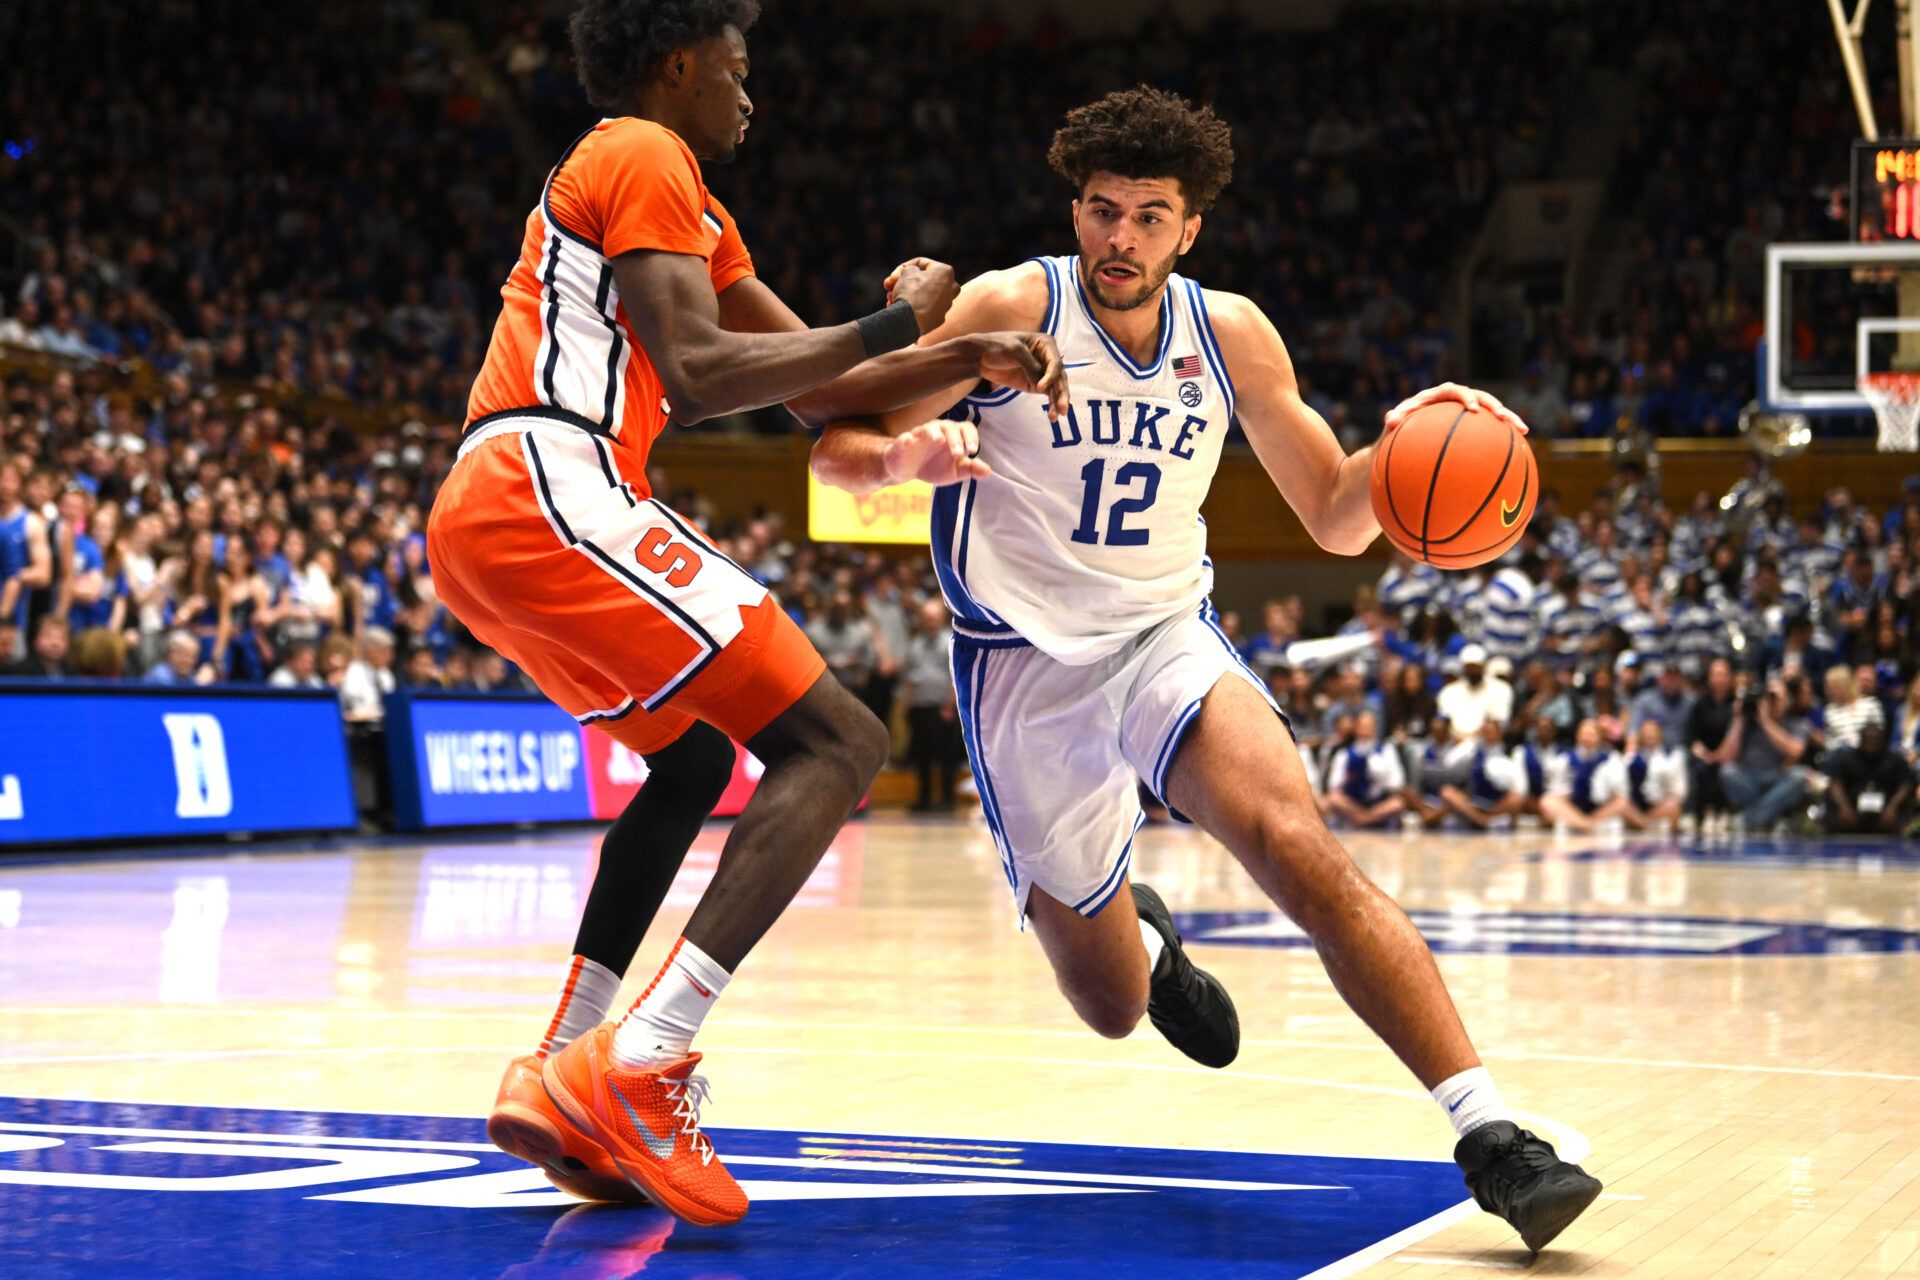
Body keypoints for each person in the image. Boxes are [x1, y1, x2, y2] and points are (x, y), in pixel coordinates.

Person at [808, 85, 1599, 1250]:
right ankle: (1145, 934)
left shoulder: (1229, 334)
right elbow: (834, 447)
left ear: (1191, 230)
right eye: (1100, 210)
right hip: (1021, 668)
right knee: (1111, 1004)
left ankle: (1492, 1132)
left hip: (1165, 636)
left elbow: (1336, 512)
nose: (1118, 238)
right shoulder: (1010, 305)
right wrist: (902, 459)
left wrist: (1419, 429)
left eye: (1147, 216)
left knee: (1299, 846)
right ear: (1075, 211)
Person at [426, 0, 1067, 1228]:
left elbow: (835, 401)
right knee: (841, 741)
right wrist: (907, 319)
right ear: (678, 64)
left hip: (499, 514)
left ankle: (566, 1061)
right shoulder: (638, 150)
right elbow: (705, 371)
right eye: (737, 64)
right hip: (549, 479)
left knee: (691, 763)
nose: (749, 90)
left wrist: (965, 353)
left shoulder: (692, 210)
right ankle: (647, 1060)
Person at [1719, 678, 1809, 836]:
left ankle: (1747, 820)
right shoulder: (1747, 722)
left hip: (1777, 778)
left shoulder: (1795, 723)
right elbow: (1726, 757)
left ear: (1787, 700)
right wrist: (1738, 719)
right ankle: (1770, 818)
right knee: (1727, 771)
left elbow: (1795, 751)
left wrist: (1766, 721)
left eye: (1776, 698)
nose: (1771, 702)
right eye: (1767, 697)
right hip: (1748, 779)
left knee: (1799, 776)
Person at [901, 597, 961, 811]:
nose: (930, 622)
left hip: (943, 708)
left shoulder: (950, 641)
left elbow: (956, 677)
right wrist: (906, 706)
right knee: (922, 756)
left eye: (934, 618)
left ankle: (947, 800)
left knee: (947, 757)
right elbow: (908, 676)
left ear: (942, 619)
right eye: (926, 618)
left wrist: (950, 706)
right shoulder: (915, 644)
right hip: (919, 708)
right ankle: (924, 799)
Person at [1538, 718, 1628, 834]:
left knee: (1622, 802)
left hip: (1600, 809)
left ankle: (1583, 824)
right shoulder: (1563, 760)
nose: (1587, 738)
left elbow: (1617, 792)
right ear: (1577, 736)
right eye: (1584, 734)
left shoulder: (1611, 759)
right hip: (1573, 807)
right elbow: (1558, 792)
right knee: (1547, 801)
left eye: (1591, 734)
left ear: (1599, 737)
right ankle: (1587, 825)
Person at [0, 459, 53, 655]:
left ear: (20, 484)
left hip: (13, 618)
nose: (4, 485)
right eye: (1, 479)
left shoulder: (31, 522)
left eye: (10, 480)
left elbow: (44, 574)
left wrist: (12, 575)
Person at [1825, 724, 1915, 834]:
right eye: (1867, 739)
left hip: (1886, 811)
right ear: (1860, 739)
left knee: (1904, 821)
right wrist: (1844, 807)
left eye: (1875, 740)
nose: (1871, 743)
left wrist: (1893, 807)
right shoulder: (1845, 759)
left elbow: (1905, 785)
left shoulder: (1895, 760)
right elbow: (1835, 783)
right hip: (1853, 809)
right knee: (1834, 817)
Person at [1325, 710, 1409, 828]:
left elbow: (1397, 783)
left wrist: (1379, 778)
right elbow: (1333, 785)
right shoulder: (1344, 753)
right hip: (1353, 802)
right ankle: (1362, 817)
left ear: (1375, 728)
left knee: (1397, 803)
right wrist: (1349, 778)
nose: (1365, 729)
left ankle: (1364, 819)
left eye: (1369, 726)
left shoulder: (1387, 751)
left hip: (1377, 802)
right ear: (1356, 728)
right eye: (1362, 726)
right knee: (1333, 799)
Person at [1437, 717, 1526, 830]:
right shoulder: (1472, 750)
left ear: (1500, 733)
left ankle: (1485, 819)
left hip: (1497, 804)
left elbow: (1520, 788)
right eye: (1485, 730)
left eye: (1491, 730)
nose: (1487, 733)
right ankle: (1483, 821)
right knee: (1447, 792)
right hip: (1474, 803)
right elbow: (1449, 762)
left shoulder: (1508, 757)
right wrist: (1472, 739)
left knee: (1516, 799)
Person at [1685, 657, 1738, 833]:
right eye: (1715, 674)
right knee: (1700, 768)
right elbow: (1692, 734)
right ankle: (1701, 813)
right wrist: (1700, 751)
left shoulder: (1737, 704)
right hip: (1705, 753)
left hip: (1731, 753)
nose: (1719, 679)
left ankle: (1724, 812)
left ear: (1730, 677)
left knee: (1726, 770)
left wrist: (1721, 754)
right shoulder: (1700, 704)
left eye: (1723, 674)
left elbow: (1739, 735)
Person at [1621, 719, 1687, 831]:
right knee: (1621, 805)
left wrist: (1665, 803)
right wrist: (1629, 752)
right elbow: (1621, 788)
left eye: (1652, 731)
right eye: (1646, 732)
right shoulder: (1631, 757)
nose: (1649, 735)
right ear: (1640, 736)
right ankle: (1645, 824)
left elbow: (1679, 792)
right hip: (1636, 808)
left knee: (1673, 807)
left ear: (1660, 734)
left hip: (1659, 806)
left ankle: (1641, 824)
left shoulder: (1672, 756)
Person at [1435, 644, 1513, 737]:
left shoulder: (1501, 689)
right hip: (1452, 742)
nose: (1472, 671)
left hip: (1484, 745)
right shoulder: (1449, 691)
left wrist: (1469, 738)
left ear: (1483, 666)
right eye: (1469, 668)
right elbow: (1444, 720)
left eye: (1475, 667)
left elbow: (1497, 723)